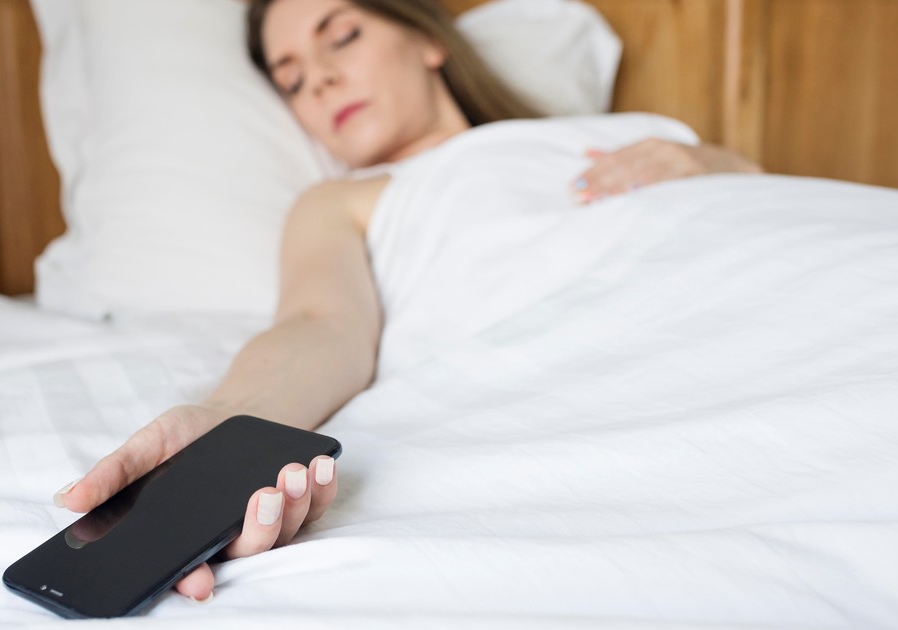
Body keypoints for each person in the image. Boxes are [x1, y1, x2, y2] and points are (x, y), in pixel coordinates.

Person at [51, 0, 762, 603]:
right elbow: (320, 323)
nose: (319, 80)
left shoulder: (604, 134)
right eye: (291, 79)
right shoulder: (342, 202)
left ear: (427, 40)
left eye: (342, 36)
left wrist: (714, 164)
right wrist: (226, 423)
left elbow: (773, 208)